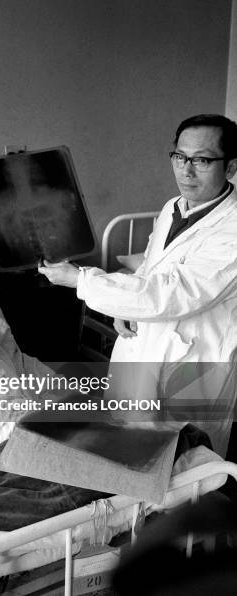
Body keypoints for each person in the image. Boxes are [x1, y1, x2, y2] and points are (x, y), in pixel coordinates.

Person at [38, 114, 237, 455]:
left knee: (186, 470)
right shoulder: (173, 207)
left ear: (231, 166)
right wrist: (123, 306)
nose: (186, 171)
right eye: (180, 157)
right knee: (126, 454)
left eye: (202, 160)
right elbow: (151, 268)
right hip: (143, 346)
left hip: (194, 364)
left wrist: (80, 278)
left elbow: (176, 292)